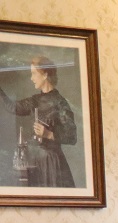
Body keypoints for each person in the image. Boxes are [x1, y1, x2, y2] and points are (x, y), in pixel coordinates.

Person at [0, 56, 77, 188]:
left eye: (34, 73)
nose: (31, 78)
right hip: (35, 163)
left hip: (52, 165)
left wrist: (48, 134)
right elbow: (13, 107)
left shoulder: (60, 103)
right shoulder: (35, 100)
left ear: (45, 74)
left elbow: (72, 136)